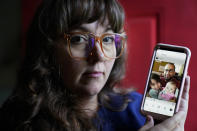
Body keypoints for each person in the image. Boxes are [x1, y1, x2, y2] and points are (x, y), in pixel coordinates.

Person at [0, 0, 190, 131]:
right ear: (48, 50)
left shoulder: (137, 110)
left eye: (107, 39)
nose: (98, 56)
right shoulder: (17, 120)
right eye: (78, 39)